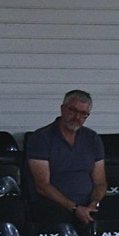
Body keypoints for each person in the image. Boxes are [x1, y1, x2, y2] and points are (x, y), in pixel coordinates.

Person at [25, 90, 107, 228]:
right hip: (53, 204)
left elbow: (100, 182)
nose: (77, 117)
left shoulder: (92, 138)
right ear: (62, 109)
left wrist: (94, 203)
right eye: (72, 110)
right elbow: (42, 186)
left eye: (83, 114)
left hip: (88, 204)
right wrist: (75, 208)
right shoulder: (41, 138)